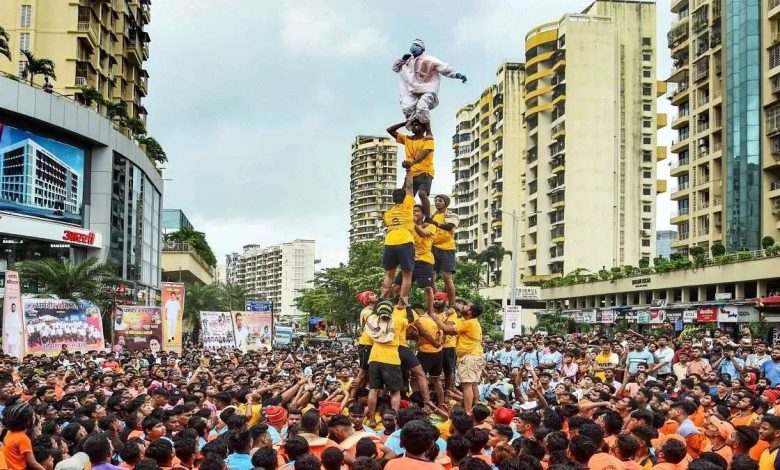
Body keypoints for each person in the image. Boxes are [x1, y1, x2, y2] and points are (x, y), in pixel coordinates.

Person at [392, 38, 466, 128]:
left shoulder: (430, 59)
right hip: (412, 89)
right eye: (413, 45)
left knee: (421, 106)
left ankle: (428, 130)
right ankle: (417, 130)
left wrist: (457, 74)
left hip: (428, 88)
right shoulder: (407, 60)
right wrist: (402, 59)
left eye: (417, 46)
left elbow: (444, 68)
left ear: (422, 49)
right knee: (407, 109)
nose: (414, 47)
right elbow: (395, 68)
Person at [429, 302, 484, 413]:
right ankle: (474, 408)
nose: (463, 306)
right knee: (472, 384)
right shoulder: (468, 321)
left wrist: (435, 318)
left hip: (470, 357)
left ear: (470, 311)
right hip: (473, 356)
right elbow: (457, 310)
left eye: (466, 306)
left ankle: (468, 412)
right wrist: (453, 305)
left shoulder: (469, 322)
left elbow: (448, 329)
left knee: (467, 385)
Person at [380, 165, 415, 307]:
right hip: (405, 240)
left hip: (389, 242)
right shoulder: (408, 206)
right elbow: (410, 187)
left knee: (389, 273)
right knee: (407, 273)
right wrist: (409, 171)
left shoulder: (388, 213)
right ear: (405, 198)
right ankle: (403, 299)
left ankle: (382, 298)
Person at [387, 119, 435, 219]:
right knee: (404, 198)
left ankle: (428, 218)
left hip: (424, 172)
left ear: (423, 128)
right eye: (412, 125)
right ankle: (404, 216)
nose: (414, 127)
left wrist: (411, 163)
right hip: (411, 174)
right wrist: (405, 123)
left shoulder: (427, 140)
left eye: (416, 125)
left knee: (422, 194)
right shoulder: (407, 139)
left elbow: (423, 154)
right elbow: (390, 130)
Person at [430, 194, 459, 302]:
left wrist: (435, 223)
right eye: (436, 200)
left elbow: (449, 227)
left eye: (440, 200)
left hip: (447, 248)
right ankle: (437, 298)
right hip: (433, 247)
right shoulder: (432, 216)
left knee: (447, 278)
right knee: (431, 277)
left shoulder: (452, 215)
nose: (437, 202)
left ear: (445, 203)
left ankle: (452, 302)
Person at [3, 402, 48, 470]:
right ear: (28, 421)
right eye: (33, 415)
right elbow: (32, 463)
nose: (35, 417)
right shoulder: (23, 438)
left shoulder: (9, 433)